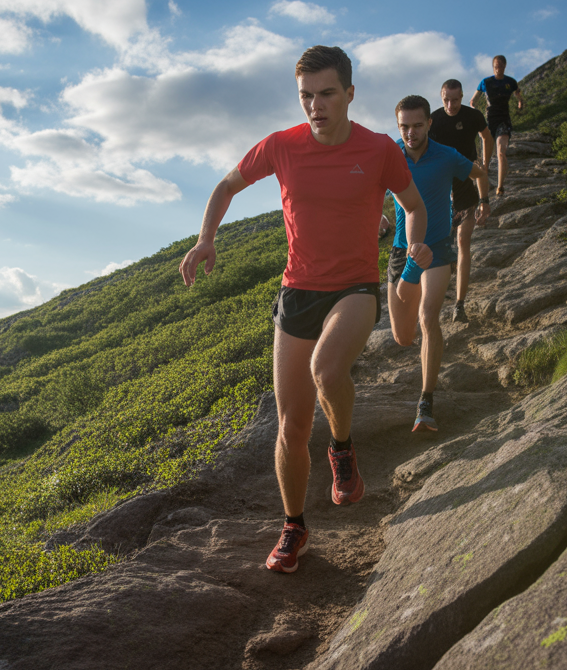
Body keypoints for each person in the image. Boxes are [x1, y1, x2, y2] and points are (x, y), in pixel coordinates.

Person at [179, 46, 431, 575]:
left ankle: (341, 447)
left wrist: (412, 245)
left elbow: (412, 205)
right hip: (297, 291)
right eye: (306, 96)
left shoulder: (378, 149)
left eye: (327, 94)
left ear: (350, 93)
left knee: (326, 369)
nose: (315, 106)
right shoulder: (281, 146)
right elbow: (227, 185)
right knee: (291, 426)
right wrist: (206, 238)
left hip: (355, 288)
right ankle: (294, 526)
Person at [385, 95, 489, 432]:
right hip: (402, 252)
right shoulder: (390, 155)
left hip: (438, 247)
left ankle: (425, 402)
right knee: (403, 337)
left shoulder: (446, 155)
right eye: (404, 127)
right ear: (398, 126)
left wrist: (484, 200)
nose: (411, 133)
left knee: (428, 316)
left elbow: (478, 172)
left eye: (418, 125)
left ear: (429, 123)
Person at [428, 79, 493, 323]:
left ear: (462, 97)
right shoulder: (433, 120)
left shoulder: (472, 115)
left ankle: (459, 304)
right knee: (439, 246)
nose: (450, 104)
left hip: (467, 179)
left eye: (455, 100)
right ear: (441, 97)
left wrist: (486, 164)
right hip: (442, 186)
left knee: (463, 241)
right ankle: (437, 292)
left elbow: (487, 138)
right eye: (446, 99)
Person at [471, 55, 523, 196]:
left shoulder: (510, 82)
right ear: (493, 66)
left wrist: (520, 102)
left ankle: (500, 187)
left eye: (500, 66)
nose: (498, 69)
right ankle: (483, 191)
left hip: (503, 120)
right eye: (495, 66)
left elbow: (518, 94)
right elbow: (473, 101)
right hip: (489, 121)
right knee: (485, 161)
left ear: (504, 66)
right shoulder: (486, 82)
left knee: (501, 152)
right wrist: (476, 112)